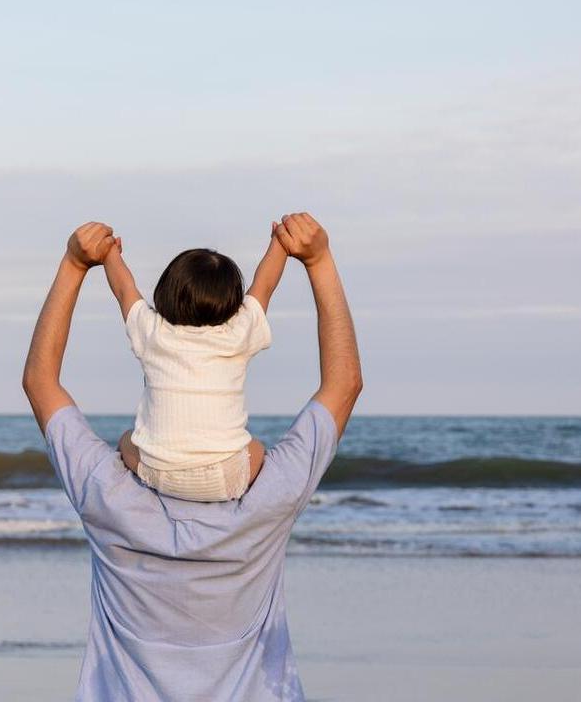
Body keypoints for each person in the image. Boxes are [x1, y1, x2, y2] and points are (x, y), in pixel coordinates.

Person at [22, 212, 363, 702]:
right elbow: (344, 384)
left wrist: (75, 266)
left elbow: (40, 383)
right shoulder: (269, 499)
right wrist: (319, 261)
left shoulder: (107, 497)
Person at [101, 227, 288, 501]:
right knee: (256, 449)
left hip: (159, 472)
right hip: (226, 477)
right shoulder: (239, 334)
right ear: (233, 301)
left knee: (127, 440)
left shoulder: (152, 332)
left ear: (166, 291)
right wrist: (280, 243)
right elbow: (265, 285)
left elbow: (123, 289)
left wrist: (109, 254)